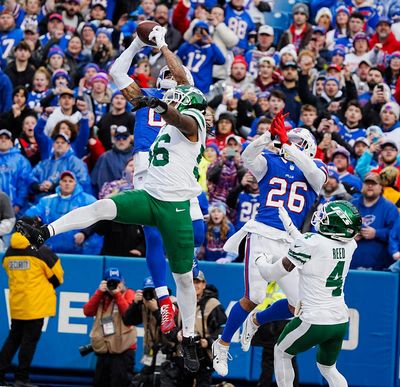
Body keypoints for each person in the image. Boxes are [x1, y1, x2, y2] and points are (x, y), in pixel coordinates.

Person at [16, 27, 207, 373]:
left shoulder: (190, 116)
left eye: (177, 86)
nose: (169, 81)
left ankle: (189, 337)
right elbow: (120, 74)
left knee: (184, 273)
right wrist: (139, 43)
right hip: (150, 188)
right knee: (103, 207)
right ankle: (46, 231)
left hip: (176, 200)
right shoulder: (152, 98)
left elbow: (179, 111)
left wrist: (163, 52)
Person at [212, 112, 327, 377]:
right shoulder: (273, 161)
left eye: (297, 142)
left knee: (298, 306)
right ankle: (222, 343)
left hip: (289, 241)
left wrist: (286, 145)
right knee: (255, 296)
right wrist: (267, 137)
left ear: (307, 148)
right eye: (290, 140)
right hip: (263, 233)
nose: (291, 144)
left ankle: (257, 320)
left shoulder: (316, 169)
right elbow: (247, 157)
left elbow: (315, 176)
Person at [256, 201, 362, 387]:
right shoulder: (351, 244)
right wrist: (290, 228)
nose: (321, 219)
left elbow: (271, 273)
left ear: (335, 225)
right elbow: (314, 246)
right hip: (339, 319)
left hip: (314, 319)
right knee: (329, 369)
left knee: (281, 353)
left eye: (326, 218)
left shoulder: (311, 243)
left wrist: (260, 261)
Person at [0, 216, 64, 387]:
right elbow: (58, 278)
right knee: (28, 343)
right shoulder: (41, 251)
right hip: (36, 305)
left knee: (13, 339)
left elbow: (7, 269)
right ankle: (21, 378)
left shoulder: (9, 252)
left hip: (17, 304)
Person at [25, 170, 103, 255]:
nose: (67, 183)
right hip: (52, 251)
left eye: (70, 181)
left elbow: (98, 217)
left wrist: (84, 233)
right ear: (59, 183)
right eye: (64, 181)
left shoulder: (88, 200)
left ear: (75, 184)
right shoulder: (47, 201)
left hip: (80, 251)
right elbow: (31, 215)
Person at [83, 268, 137, 387]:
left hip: (123, 350)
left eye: (117, 282)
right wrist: (99, 292)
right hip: (105, 348)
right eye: (111, 282)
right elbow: (87, 311)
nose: (114, 285)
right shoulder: (102, 296)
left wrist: (117, 294)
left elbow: (128, 315)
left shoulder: (129, 293)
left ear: (122, 282)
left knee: (119, 383)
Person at [123, 277, 179, 387]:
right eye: (147, 291)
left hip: (169, 354)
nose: (150, 294)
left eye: (153, 291)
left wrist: (156, 310)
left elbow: (171, 329)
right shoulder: (145, 304)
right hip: (150, 352)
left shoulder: (171, 303)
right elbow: (128, 321)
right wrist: (135, 304)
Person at [351, 173, 398, 270]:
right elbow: (340, 230)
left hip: (380, 268)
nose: (370, 186)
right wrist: (351, 235)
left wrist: (376, 233)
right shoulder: (351, 205)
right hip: (352, 266)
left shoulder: (390, 208)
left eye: (374, 183)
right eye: (367, 183)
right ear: (362, 186)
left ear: (381, 187)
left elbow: (396, 235)